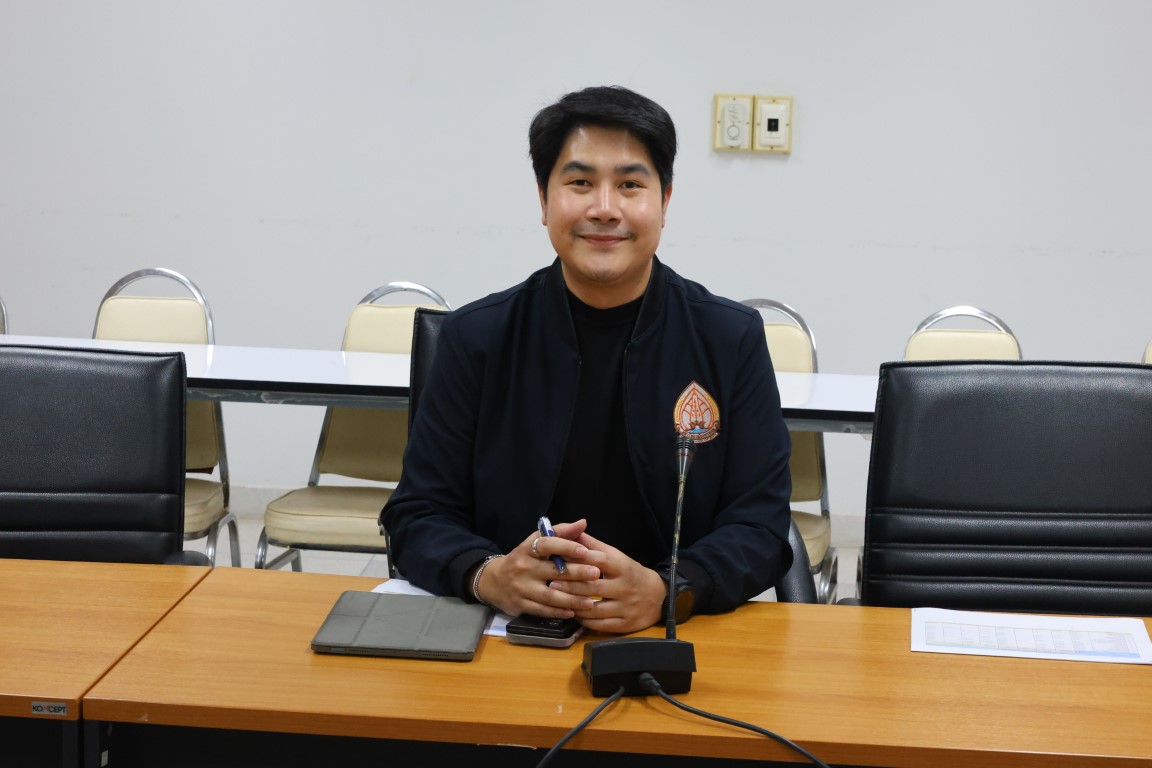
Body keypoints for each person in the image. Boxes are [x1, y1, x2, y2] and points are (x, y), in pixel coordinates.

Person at [381, 85, 792, 634]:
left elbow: (761, 526)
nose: (604, 208)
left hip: (675, 637)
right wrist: (487, 574)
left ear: (665, 201)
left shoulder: (729, 338)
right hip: (508, 636)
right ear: (543, 199)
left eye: (630, 185)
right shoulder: (475, 338)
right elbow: (416, 514)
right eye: (579, 183)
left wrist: (670, 590)